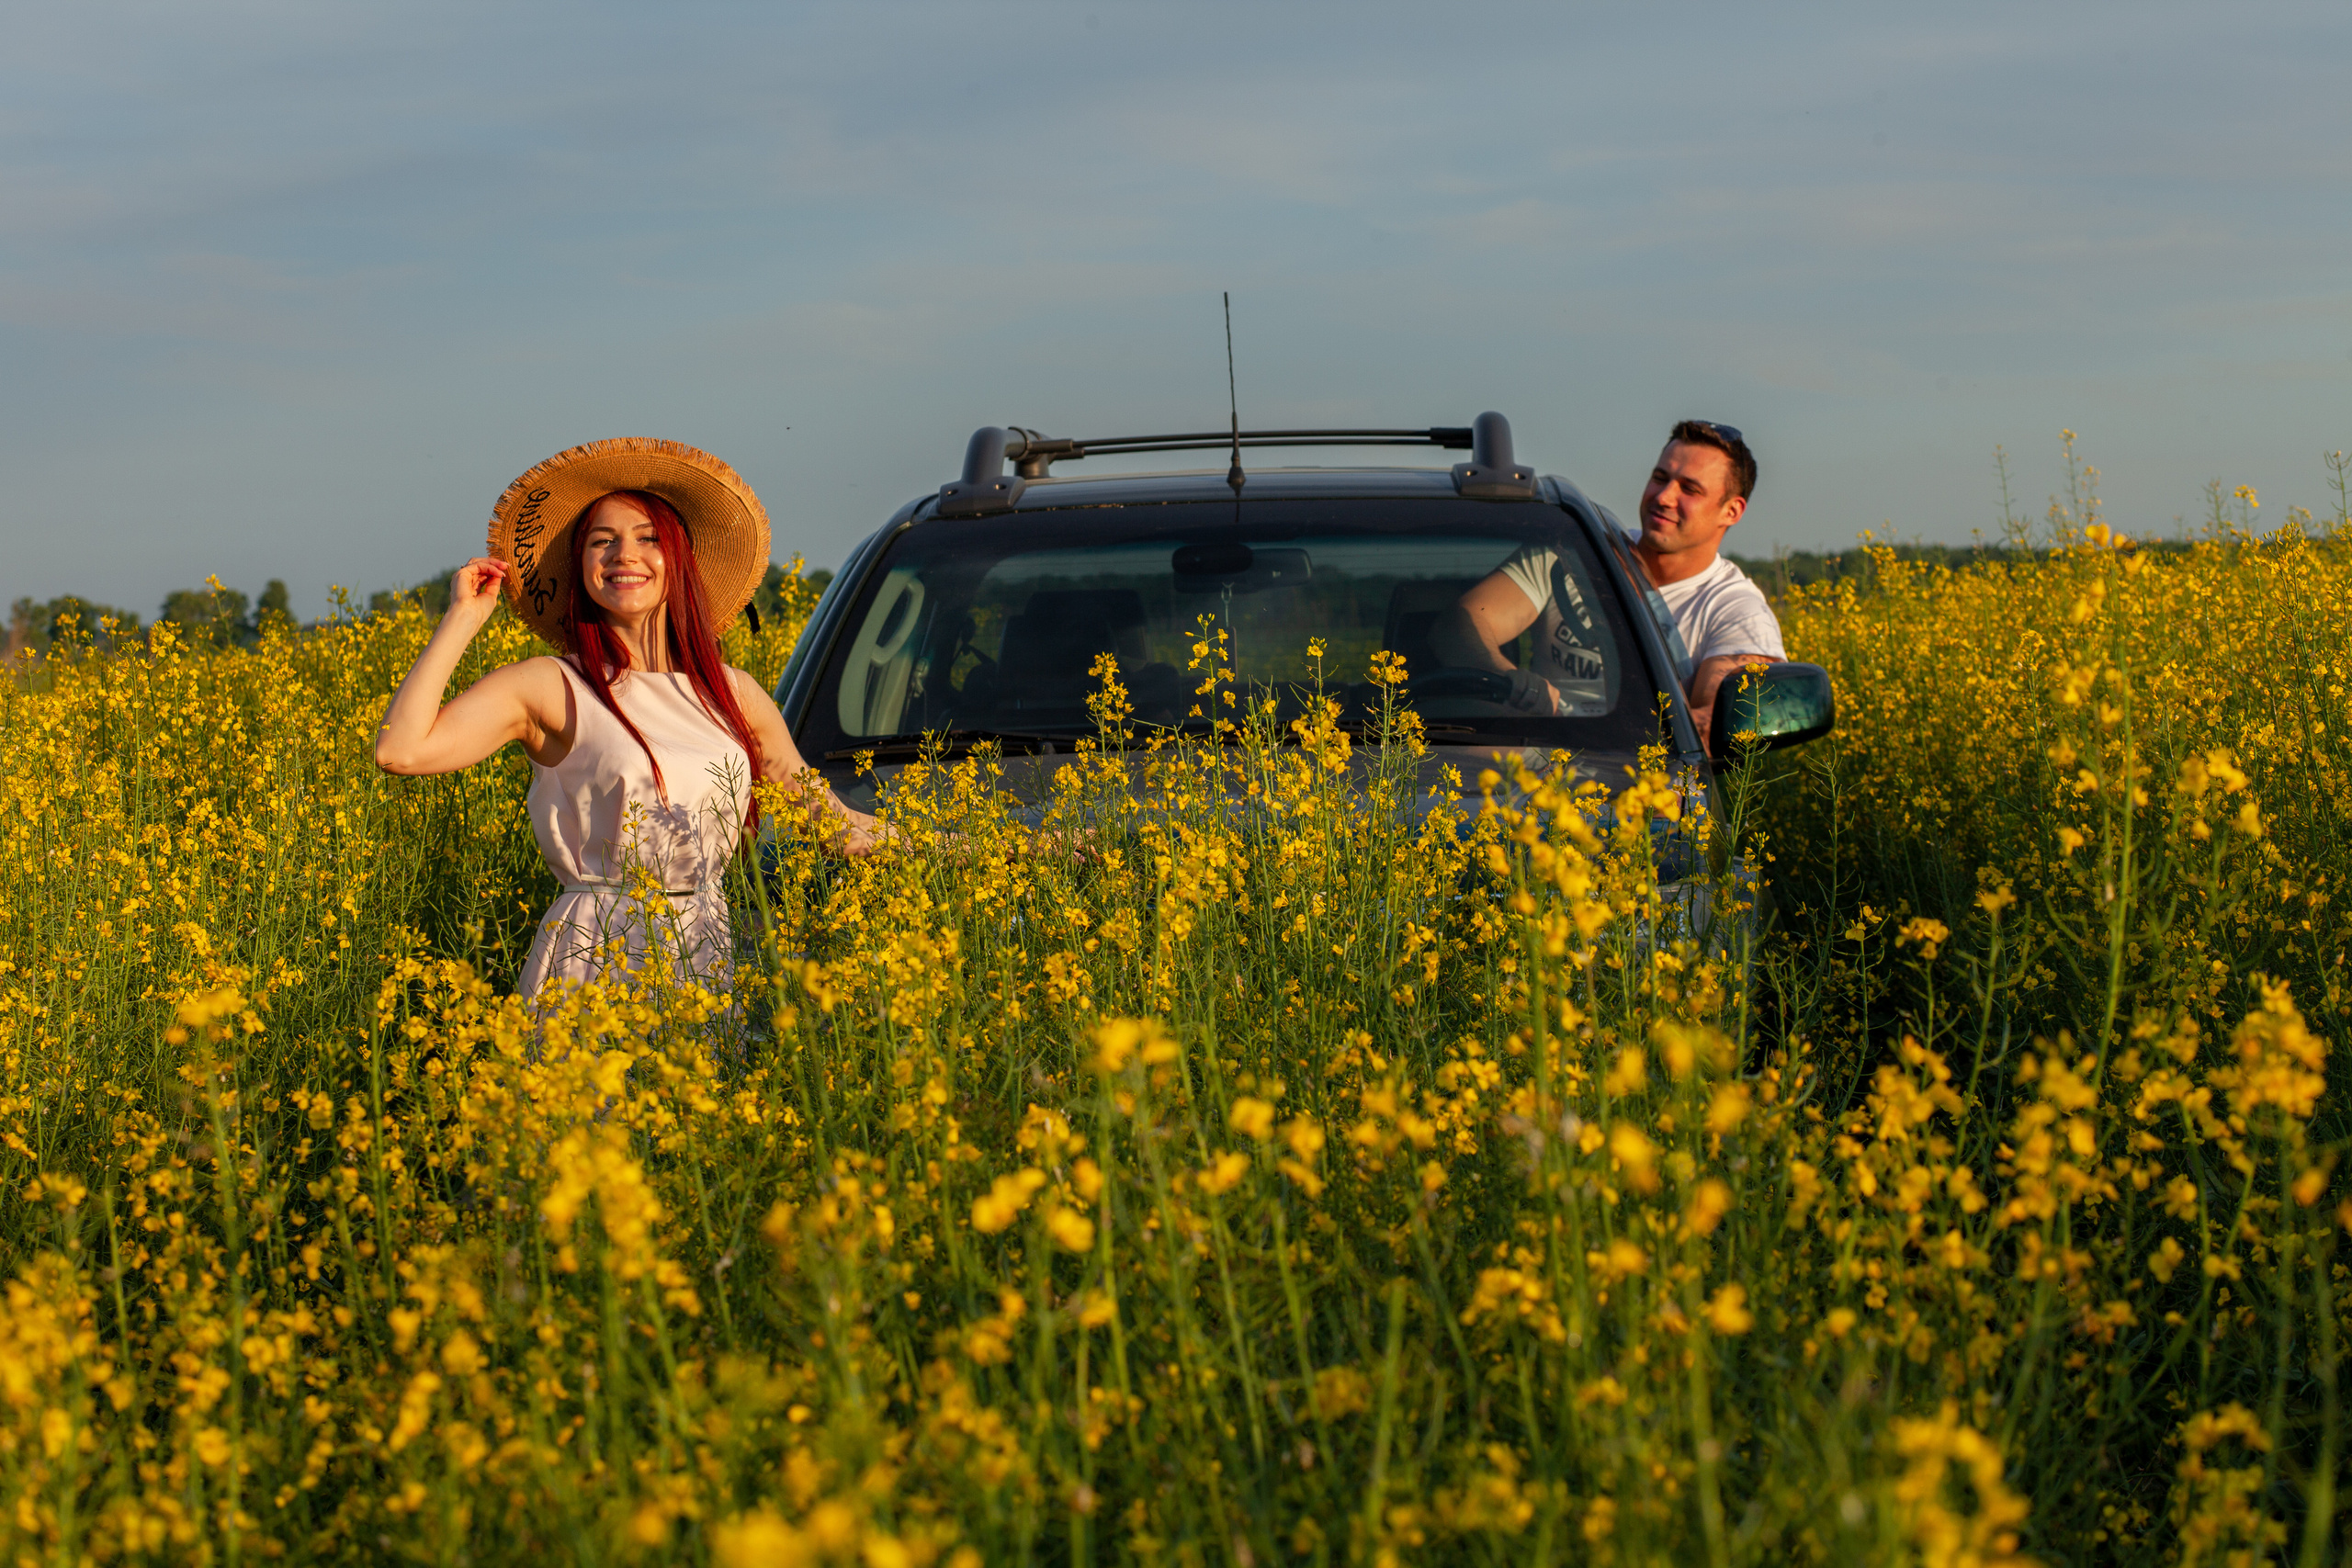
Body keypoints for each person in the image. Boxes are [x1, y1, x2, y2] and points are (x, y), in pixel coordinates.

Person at [374, 437, 884, 999]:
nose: (624, 555)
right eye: (602, 541)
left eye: (648, 538)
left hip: (702, 952)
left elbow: (835, 822)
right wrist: (463, 617)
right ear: (581, 565)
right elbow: (402, 752)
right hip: (593, 957)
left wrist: (957, 848)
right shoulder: (550, 685)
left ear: (679, 559)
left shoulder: (733, 692)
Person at [1430, 419, 1782, 748]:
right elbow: (1458, 625)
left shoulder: (1738, 613)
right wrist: (1513, 680)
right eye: (1660, 478)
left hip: (1643, 789)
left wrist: (1605, 737)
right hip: (1532, 772)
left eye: (1689, 489)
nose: (1663, 497)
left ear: (1731, 511)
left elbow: (1717, 724)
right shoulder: (1573, 555)